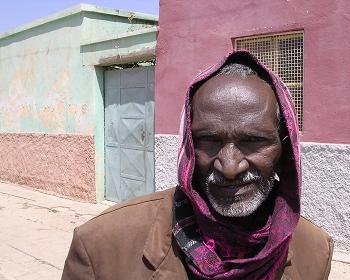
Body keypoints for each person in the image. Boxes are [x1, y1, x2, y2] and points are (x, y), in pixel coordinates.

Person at [62, 51, 333, 280]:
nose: (230, 167)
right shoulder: (101, 247)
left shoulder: (314, 251)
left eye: (253, 141)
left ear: (284, 148)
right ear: (188, 147)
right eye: (208, 141)